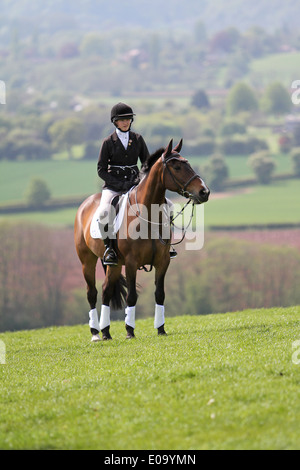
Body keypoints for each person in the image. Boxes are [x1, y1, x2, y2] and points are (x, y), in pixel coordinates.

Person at [97, 102, 176, 265]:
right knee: (104, 213)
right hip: (113, 186)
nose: (126, 122)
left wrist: (140, 181)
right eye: (122, 119)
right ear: (115, 122)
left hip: (135, 183)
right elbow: (101, 170)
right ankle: (109, 249)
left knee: (169, 206)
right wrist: (118, 185)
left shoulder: (138, 139)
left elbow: (147, 165)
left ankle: (167, 244)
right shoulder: (108, 142)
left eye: (128, 119)